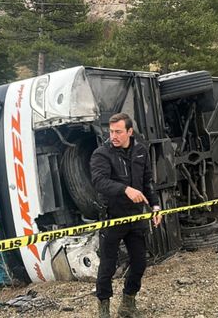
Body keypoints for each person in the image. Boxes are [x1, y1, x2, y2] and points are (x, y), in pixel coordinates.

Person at [90, 113, 162, 318]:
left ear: (129, 132)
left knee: (140, 262)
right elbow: (99, 181)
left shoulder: (140, 151)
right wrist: (125, 189)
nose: (114, 135)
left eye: (118, 132)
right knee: (108, 266)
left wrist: (155, 206)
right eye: (111, 131)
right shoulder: (101, 154)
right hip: (112, 216)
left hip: (136, 217)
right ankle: (103, 309)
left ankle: (128, 303)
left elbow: (147, 180)